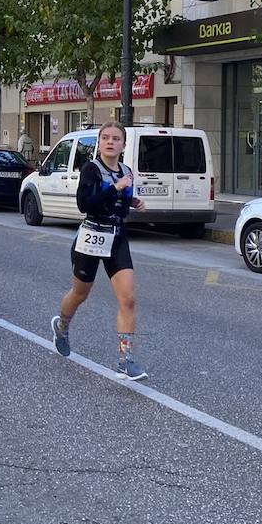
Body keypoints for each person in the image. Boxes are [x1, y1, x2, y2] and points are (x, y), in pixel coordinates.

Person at [51, 121, 148, 381]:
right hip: (92, 236)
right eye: (105, 137)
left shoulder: (126, 170)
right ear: (99, 142)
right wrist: (114, 189)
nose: (110, 142)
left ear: (123, 144)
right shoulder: (91, 170)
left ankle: (125, 360)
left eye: (116, 138)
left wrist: (133, 201)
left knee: (128, 299)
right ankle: (62, 326)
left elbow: (121, 204)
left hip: (116, 237)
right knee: (80, 293)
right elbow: (85, 204)